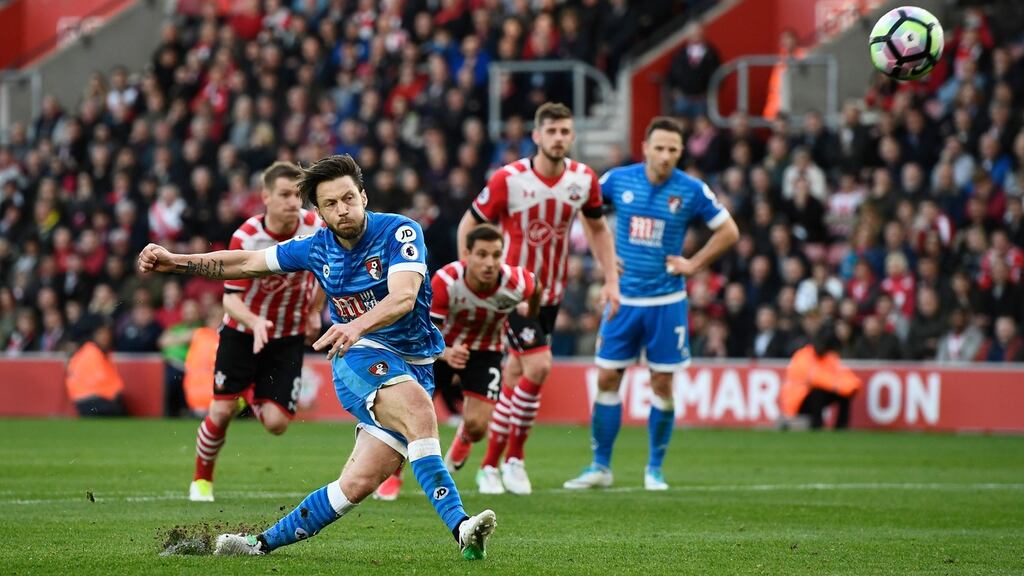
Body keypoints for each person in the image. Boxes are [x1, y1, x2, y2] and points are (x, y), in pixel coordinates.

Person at [138, 154, 496, 560]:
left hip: (409, 361)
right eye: (331, 204)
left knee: (356, 484)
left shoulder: (400, 232)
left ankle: (258, 544)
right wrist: (177, 261)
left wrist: (355, 322)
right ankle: (462, 527)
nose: (343, 210)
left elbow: (403, 297)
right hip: (357, 356)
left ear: (363, 195)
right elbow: (247, 261)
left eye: (348, 198)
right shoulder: (315, 248)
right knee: (419, 412)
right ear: (319, 212)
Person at [562, 117, 739, 491]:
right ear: (645, 147)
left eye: (673, 149)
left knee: (662, 383)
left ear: (680, 152)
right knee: (608, 377)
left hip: (666, 301)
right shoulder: (617, 180)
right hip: (622, 299)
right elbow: (585, 211)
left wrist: (693, 264)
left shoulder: (691, 190)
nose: (665, 156)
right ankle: (600, 467)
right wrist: (604, 256)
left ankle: (654, 469)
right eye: (659, 148)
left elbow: (729, 231)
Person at [455, 102, 620, 495]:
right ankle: (514, 458)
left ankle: (487, 460)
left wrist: (611, 278)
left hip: (550, 294)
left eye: (565, 132)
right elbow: (470, 223)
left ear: (572, 136)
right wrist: (470, 276)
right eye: (552, 131)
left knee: (516, 374)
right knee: (540, 366)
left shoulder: (583, 180)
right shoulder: (508, 179)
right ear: (537, 136)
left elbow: (597, 229)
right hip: (510, 291)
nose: (559, 138)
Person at [188, 161, 325, 503]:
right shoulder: (247, 237)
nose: (293, 202)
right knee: (219, 413)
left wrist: (314, 310)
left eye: (297, 195)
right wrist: (255, 322)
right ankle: (202, 480)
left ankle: (247, 393)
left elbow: (327, 270)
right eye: (283, 195)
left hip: (288, 335)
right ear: (265, 197)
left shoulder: (315, 227)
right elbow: (231, 300)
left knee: (277, 424)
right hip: (242, 332)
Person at [374, 225, 539, 499]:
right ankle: (394, 476)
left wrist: (528, 313)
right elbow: (426, 328)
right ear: (467, 255)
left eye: (496, 255)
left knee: (477, 428)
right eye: (482, 254)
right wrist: (447, 352)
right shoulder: (447, 281)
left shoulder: (515, 282)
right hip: (438, 347)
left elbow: (535, 289)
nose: (489, 263)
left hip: (486, 351)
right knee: (411, 414)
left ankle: (464, 438)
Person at [780, 324, 862, 430]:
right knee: (817, 392)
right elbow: (816, 378)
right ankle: (817, 424)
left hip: (818, 396)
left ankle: (841, 426)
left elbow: (844, 374)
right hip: (797, 402)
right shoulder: (803, 356)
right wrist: (840, 386)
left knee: (845, 394)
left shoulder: (829, 357)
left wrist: (851, 386)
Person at [65, 317, 127, 417]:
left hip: (83, 402)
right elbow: (103, 379)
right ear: (95, 335)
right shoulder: (93, 352)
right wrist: (117, 392)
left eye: (107, 333)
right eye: (102, 334)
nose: (106, 337)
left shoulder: (90, 351)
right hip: (92, 401)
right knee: (118, 411)